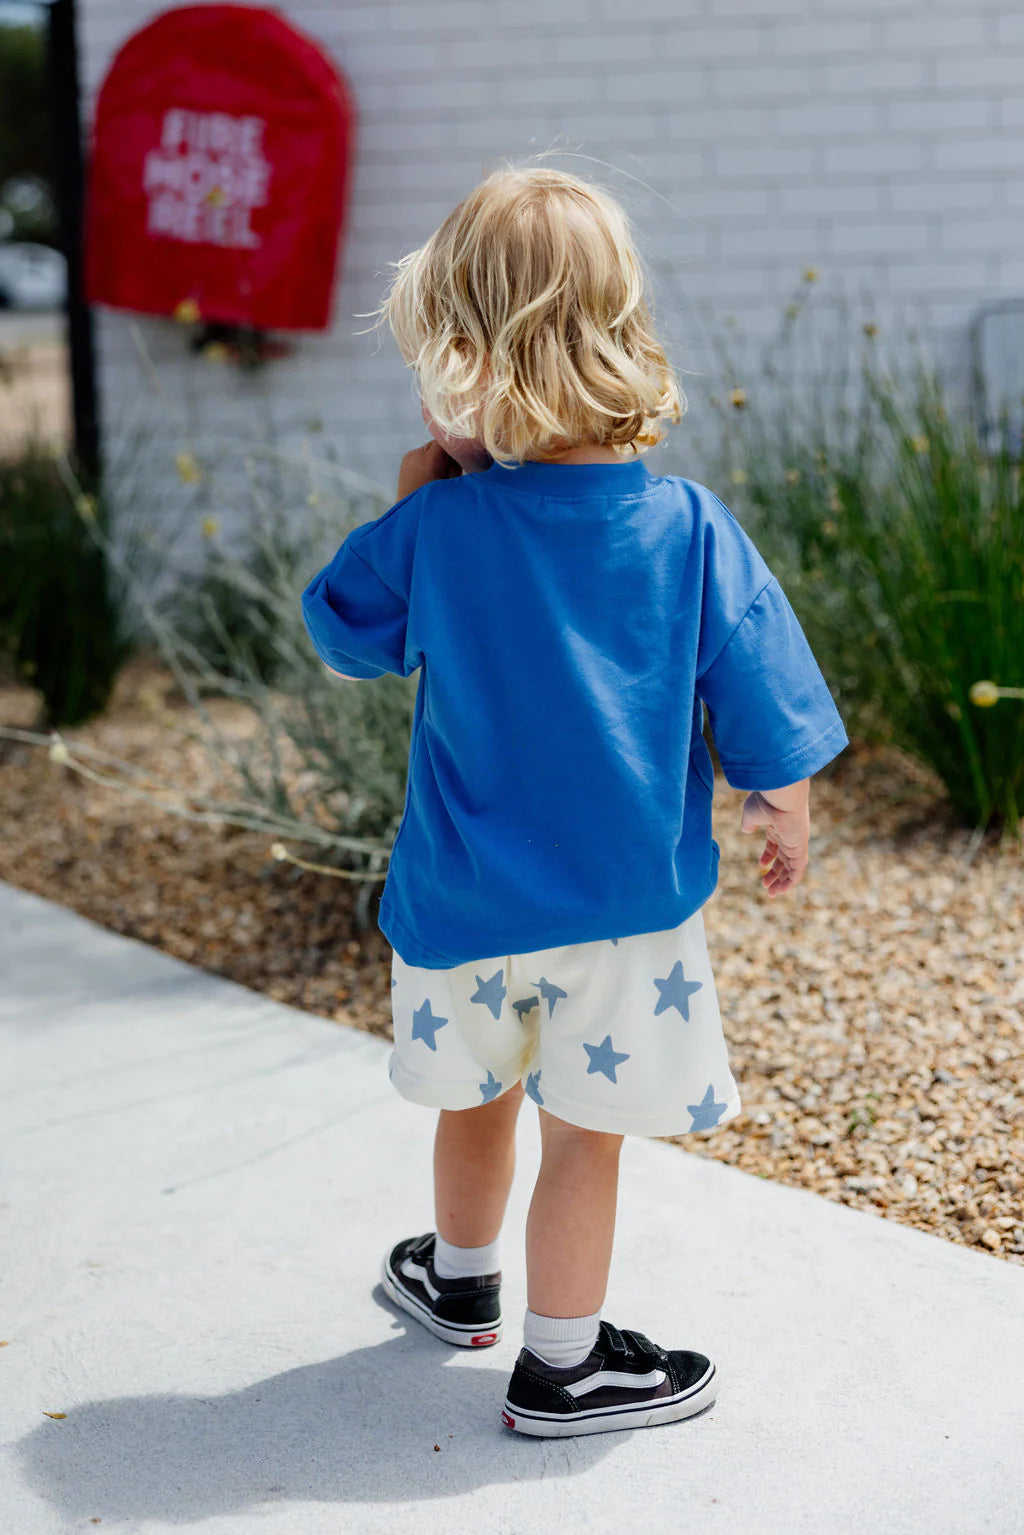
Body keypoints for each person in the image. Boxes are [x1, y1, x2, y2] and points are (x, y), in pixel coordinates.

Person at [300, 164, 848, 1438]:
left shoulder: (440, 525)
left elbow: (345, 631)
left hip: (460, 907)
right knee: (583, 1136)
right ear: (617, 328)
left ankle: (458, 1276)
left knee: (476, 1099)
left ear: (463, 350)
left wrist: (412, 497)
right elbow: (760, 689)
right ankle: (564, 1362)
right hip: (621, 917)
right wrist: (783, 805)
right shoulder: (688, 525)